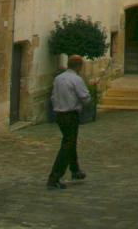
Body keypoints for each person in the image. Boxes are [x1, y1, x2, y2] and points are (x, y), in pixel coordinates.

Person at [47, 55, 91, 189]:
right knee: (67, 145)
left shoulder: (58, 78)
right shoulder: (76, 80)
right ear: (79, 66)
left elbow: (53, 96)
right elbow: (85, 98)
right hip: (71, 115)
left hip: (59, 115)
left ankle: (75, 170)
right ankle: (54, 178)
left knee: (70, 141)